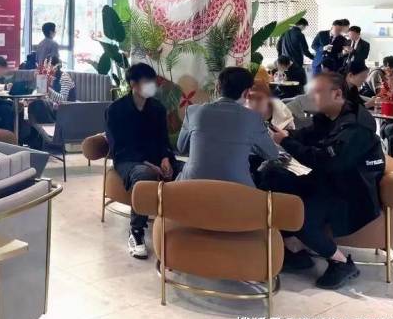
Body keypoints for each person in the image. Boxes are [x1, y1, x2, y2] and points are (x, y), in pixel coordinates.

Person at [268, 73, 384, 289]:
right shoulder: (330, 116)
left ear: (337, 94)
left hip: (349, 190)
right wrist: (288, 135)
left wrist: (287, 142)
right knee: (273, 177)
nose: (312, 98)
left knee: (300, 217)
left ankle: (341, 262)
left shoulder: (355, 127)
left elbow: (327, 161)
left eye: (317, 93)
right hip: (327, 180)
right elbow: (310, 134)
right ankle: (294, 249)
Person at [105, 63, 180, 259]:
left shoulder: (157, 109)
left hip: (156, 158)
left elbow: (163, 140)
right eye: (147, 82)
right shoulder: (116, 110)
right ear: (133, 84)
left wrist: (165, 158)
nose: (152, 86)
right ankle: (136, 232)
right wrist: (148, 164)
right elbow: (119, 147)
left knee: (186, 170)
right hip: (128, 159)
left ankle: (180, 226)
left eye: (153, 82)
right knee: (144, 174)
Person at [177, 67, 279, 186]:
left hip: (190, 186)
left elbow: (181, 147)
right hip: (236, 189)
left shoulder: (193, 111)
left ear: (217, 87)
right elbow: (272, 154)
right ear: (246, 93)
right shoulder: (253, 118)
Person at [28, 56, 76, 124]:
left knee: (38, 105)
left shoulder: (64, 77)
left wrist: (47, 89)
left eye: (47, 66)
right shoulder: (50, 77)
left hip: (65, 111)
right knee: (33, 105)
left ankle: (40, 129)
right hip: (54, 108)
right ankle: (34, 130)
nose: (45, 69)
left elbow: (63, 100)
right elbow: (46, 96)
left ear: (55, 67)